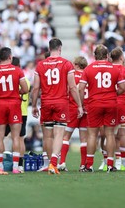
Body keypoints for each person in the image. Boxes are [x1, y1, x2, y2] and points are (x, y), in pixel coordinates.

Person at [31, 38, 83, 175]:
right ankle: (54, 163)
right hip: (61, 102)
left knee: (47, 136)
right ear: (60, 48)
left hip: (46, 102)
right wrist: (79, 105)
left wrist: (34, 105)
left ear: (49, 48)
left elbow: (35, 88)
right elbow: (72, 87)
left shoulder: (40, 65)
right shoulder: (66, 64)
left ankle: (49, 164)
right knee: (59, 133)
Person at [78, 45, 125, 172]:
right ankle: (110, 164)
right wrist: (114, 94)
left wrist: (81, 105)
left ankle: (89, 165)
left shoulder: (89, 68)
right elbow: (123, 87)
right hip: (110, 104)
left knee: (92, 135)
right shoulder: (114, 69)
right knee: (110, 135)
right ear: (107, 56)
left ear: (94, 56)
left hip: (94, 103)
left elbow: (80, 88)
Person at [0, 47, 28, 174]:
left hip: (0, 104)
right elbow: (25, 88)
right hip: (14, 104)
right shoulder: (17, 70)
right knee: (16, 136)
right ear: (10, 57)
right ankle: (16, 167)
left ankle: (0, 167)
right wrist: (18, 92)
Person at [58, 56, 88, 172]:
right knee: (84, 139)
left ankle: (62, 162)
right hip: (86, 109)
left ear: (76, 64)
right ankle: (82, 165)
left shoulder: (72, 75)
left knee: (65, 137)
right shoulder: (87, 75)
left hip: (73, 108)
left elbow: (69, 89)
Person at [4, 56, 31, 172]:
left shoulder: (8, 79)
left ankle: (1, 163)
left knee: (1, 136)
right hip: (22, 112)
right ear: (19, 66)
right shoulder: (26, 81)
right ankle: (20, 164)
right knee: (20, 139)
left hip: (8, 110)